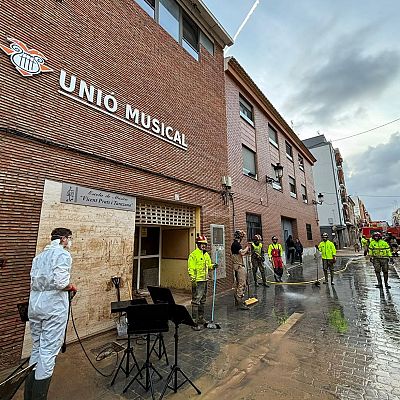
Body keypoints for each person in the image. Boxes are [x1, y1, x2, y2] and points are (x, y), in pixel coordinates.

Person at [24, 228, 77, 400]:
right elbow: (61, 282)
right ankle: (39, 396)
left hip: (35, 307)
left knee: (37, 348)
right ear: (62, 239)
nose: (70, 242)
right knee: (48, 352)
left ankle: (29, 394)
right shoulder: (62, 254)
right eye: (69, 238)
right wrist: (71, 287)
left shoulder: (39, 257)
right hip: (52, 309)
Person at [188, 234, 217, 330]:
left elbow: (208, 265)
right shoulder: (193, 255)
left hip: (205, 280)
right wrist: (193, 279)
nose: (204, 246)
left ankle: (200, 318)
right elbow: (191, 268)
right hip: (197, 281)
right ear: (198, 244)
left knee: (203, 300)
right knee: (196, 300)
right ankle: (194, 321)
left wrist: (213, 266)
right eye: (202, 244)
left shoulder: (206, 255)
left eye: (205, 244)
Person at [231, 230, 250, 310]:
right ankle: (239, 302)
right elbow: (242, 253)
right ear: (240, 237)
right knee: (242, 283)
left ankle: (237, 301)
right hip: (239, 266)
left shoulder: (235, 244)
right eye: (242, 236)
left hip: (237, 265)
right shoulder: (236, 244)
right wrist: (247, 248)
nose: (242, 238)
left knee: (238, 284)